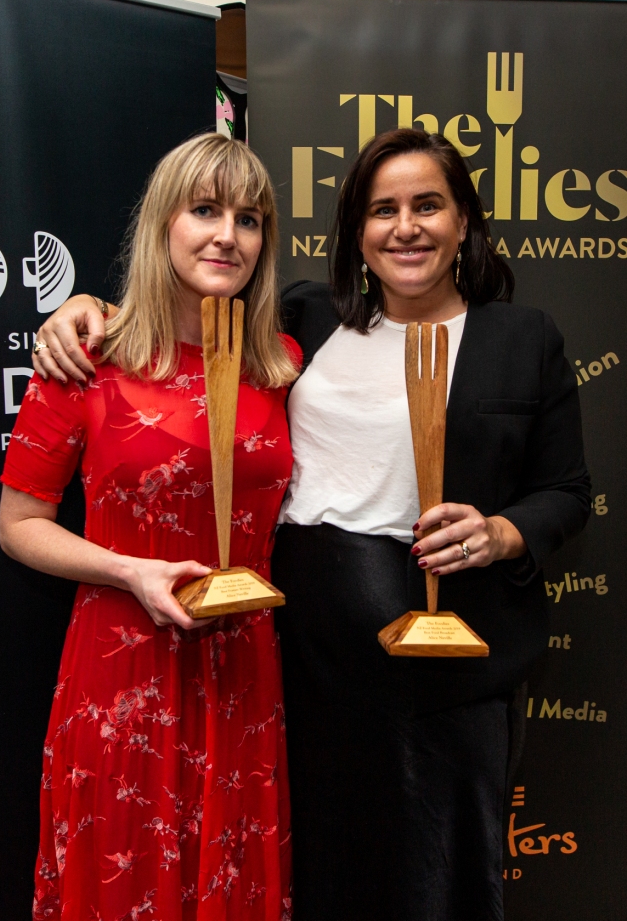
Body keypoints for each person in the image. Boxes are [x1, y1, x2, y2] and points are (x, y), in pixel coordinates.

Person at [31, 128, 590, 921]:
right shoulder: (308, 320)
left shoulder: (520, 338)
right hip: (304, 666)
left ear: (463, 220)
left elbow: (565, 490)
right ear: (355, 232)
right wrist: (83, 308)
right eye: (382, 210)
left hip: (447, 668)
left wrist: (502, 532)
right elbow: (180, 319)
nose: (405, 227)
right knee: (319, 874)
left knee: (441, 876)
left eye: (427, 206)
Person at [0, 133, 300, 921]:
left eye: (248, 219)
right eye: (204, 210)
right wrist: (130, 570)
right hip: (124, 670)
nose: (227, 236)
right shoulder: (87, 359)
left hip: (242, 676)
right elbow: (19, 525)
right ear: (163, 221)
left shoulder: (281, 362)